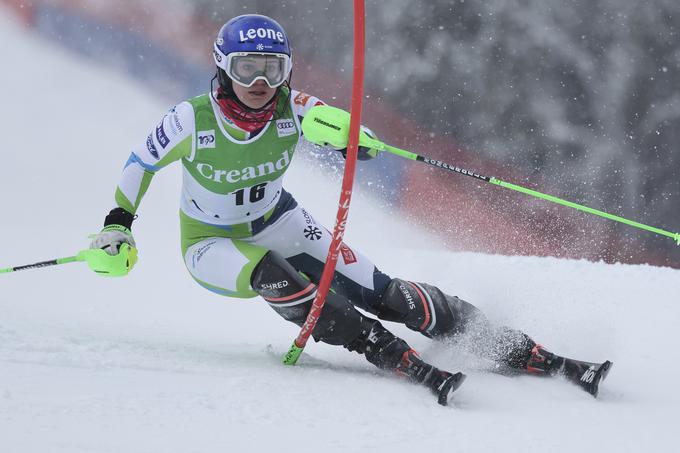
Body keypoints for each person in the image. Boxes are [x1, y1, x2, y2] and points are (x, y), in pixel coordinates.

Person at [89, 14, 611, 405]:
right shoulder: (191, 120)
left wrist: (354, 141)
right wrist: (119, 224)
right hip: (211, 243)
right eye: (247, 69)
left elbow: (341, 128)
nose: (260, 83)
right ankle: (384, 350)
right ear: (224, 68)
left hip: (279, 219)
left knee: (386, 292)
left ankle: (519, 348)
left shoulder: (294, 108)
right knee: (277, 277)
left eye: (272, 69)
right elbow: (140, 163)